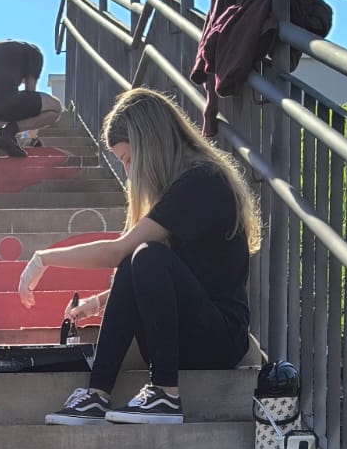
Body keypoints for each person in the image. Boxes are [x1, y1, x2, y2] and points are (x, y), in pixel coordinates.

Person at [17, 86, 260, 424]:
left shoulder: (202, 183)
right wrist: (99, 302)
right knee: (140, 257)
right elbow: (164, 276)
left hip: (219, 341)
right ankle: (97, 394)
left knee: (142, 253)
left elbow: (120, 251)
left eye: (129, 159)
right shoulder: (181, 188)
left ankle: (165, 393)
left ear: (151, 145)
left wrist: (44, 258)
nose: (129, 173)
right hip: (184, 334)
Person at [0, 39, 63, 158]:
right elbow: (30, 93)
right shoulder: (34, 53)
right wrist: (28, 134)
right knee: (55, 107)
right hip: (3, 100)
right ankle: (7, 132)